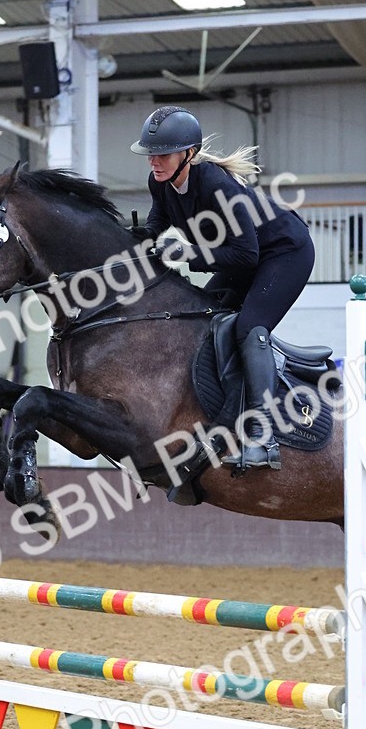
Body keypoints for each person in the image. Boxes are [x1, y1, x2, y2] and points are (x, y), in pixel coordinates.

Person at [130, 105, 315, 471]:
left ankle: (264, 436)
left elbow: (246, 256)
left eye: (163, 154)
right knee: (203, 315)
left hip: (284, 253)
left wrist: (189, 253)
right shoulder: (160, 182)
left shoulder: (216, 185)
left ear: (189, 154)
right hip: (245, 255)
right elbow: (154, 226)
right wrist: (128, 244)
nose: (154, 162)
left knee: (249, 329)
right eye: (151, 154)